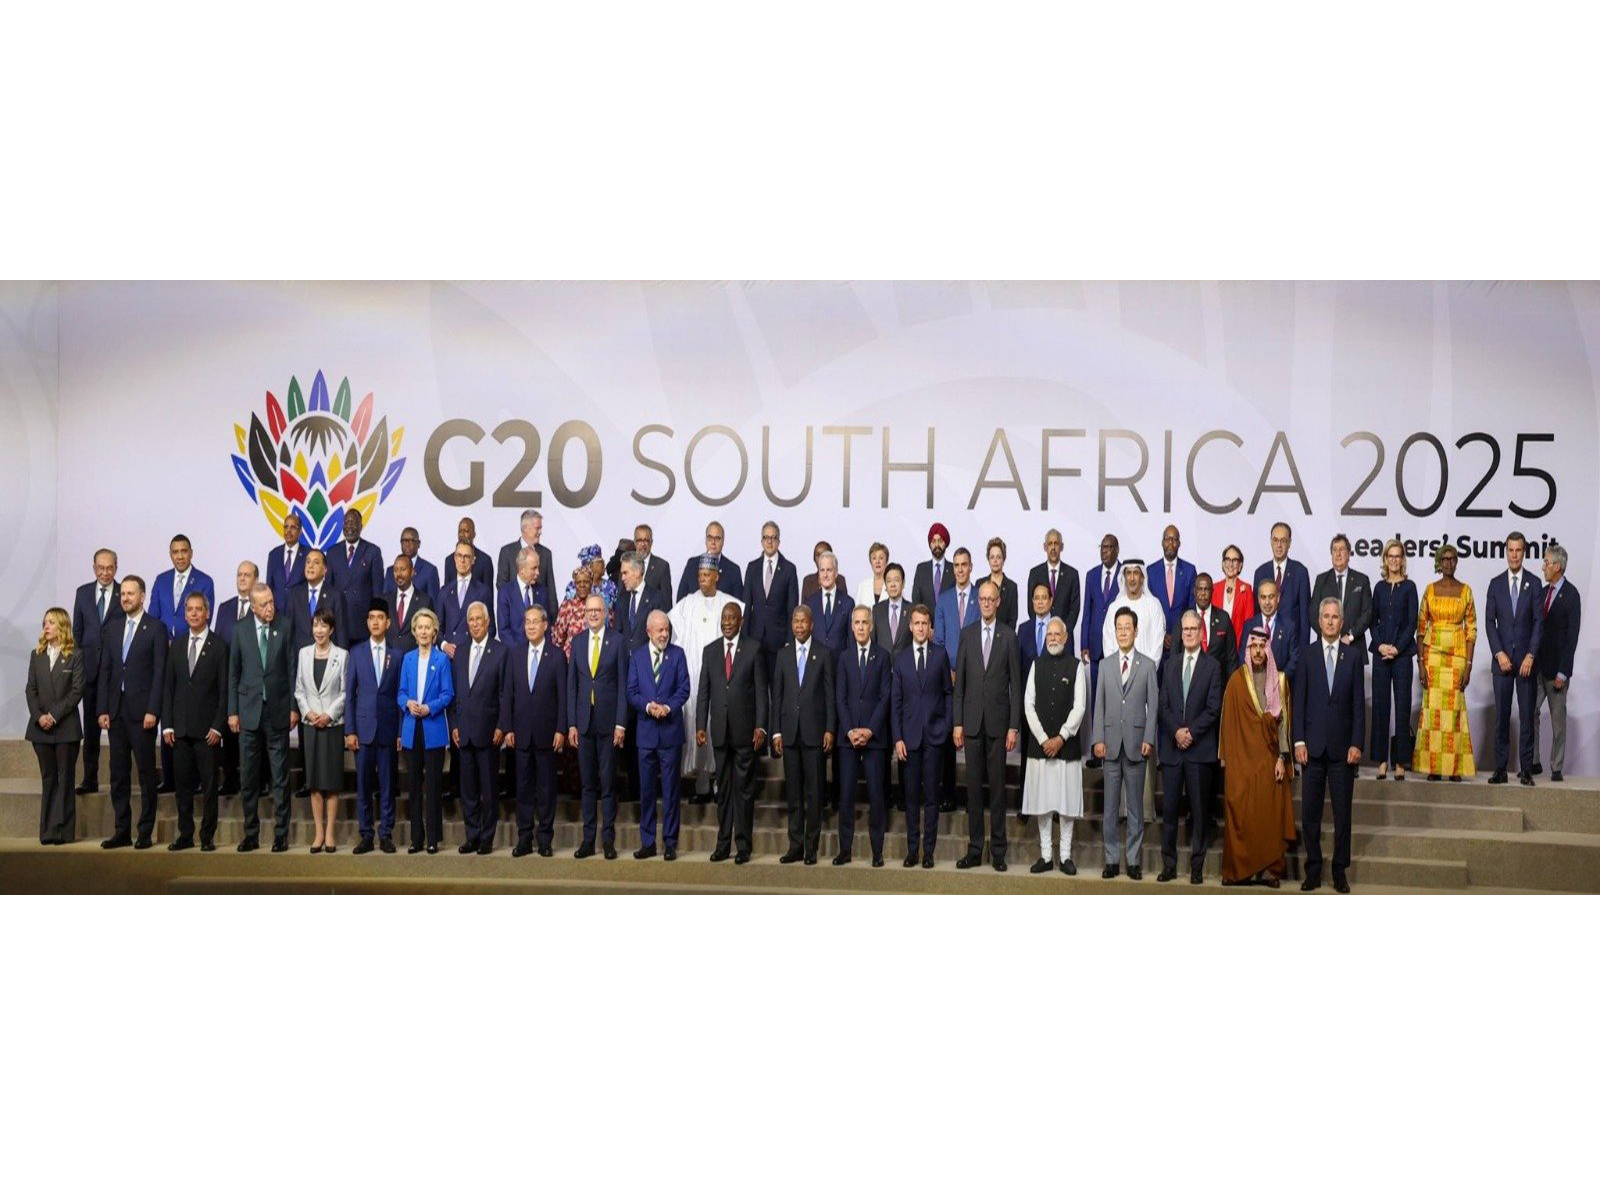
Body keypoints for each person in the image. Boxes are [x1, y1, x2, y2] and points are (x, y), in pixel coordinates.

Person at [1294, 598, 1366, 893]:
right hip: (1311, 749)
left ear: (1342, 621)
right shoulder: (1307, 655)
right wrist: (1298, 740)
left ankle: (1339, 871)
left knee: (1342, 815)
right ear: (1319, 621)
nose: (1330, 621)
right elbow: (1299, 702)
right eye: (1326, 616)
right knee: (1310, 814)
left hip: (1342, 751)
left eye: (1335, 617)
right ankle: (1312, 870)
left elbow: (1358, 705)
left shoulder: (1353, 657)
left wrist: (1357, 743)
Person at [1217, 627, 1297, 886]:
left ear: (1268, 649)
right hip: (1242, 762)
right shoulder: (1236, 681)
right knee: (1242, 813)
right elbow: (1228, 724)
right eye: (1254, 646)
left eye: (1263, 646)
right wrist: (1228, 761)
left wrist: (1282, 758)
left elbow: (1283, 724)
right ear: (1248, 649)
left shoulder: (1279, 681)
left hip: (1270, 761)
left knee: (1268, 816)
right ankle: (1242, 870)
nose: (1258, 652)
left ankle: (1270, 871)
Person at [953, 580, 1021, 872]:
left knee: (996, 791)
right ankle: (975, 849)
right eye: (982, 599)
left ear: (998, 602)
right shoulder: (967, 634)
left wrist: (1013, 726)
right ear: (977, 602)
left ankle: (998, 852)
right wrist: (957, 723)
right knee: (973, 792)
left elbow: (1015, 686)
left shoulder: (1008, 636)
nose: (986, 603)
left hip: (998, 726)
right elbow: (959, 685)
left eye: (991, 599)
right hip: (971, 725)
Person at [98, 575, 167, 849]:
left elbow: (159, 673)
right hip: (116, 712)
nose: (125, 598)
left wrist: (153, 710)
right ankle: (122, 831)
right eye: (123, 594)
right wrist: (102, 708)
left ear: (142, 596)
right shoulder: (112, 628)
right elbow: (105, 671)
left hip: (143, 715)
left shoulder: (156, 628)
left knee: (146, 774)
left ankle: (145, 832)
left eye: (130, 593)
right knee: (118, 775)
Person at [696, 602, 768, 864]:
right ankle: (723, 844)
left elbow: (761, 692)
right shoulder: (710, 651)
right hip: (719, 732)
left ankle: (744, 846)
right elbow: (703, 692)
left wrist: (761, 726)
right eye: (724, 618)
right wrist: (700, 726)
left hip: (745, 733)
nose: (727, 622)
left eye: (732, 618)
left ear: (741, 621)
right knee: (723, 791)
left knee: (744, 792)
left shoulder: (753, 649)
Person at [228, 582, 297, 853]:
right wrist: (233, 711)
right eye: (264, 604)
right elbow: (234, 674)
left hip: (277, 711)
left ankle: (281, 835)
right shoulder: (240, 629)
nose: (270, 607)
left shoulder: (285, 626)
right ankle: (251, 834)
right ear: (253, 607)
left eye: (271, 601)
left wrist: (293, 707)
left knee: (280, 777)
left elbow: (292, 669)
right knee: (248, 778)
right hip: (248, 713)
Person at [1091, 607, 1158, 880]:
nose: (1122, 632)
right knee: (1109, 809)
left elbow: (1153, 708)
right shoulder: (1105, 665)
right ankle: (1111, 860)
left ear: (1136, 631)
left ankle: (1133, 861)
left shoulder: (1148, 665)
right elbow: (1099, 705)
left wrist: (1149, 738)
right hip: (1110, 746)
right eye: (1119, 627)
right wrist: (1097, 738)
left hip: (1136, 746)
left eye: (1127, 627)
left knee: (1135, 810)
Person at [1157, 612, 1222, 884]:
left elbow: (1213, 708)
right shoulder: (1170, 664)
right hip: (1173, 751)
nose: (1189, 633)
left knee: (1199, 812)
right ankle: (1169, 865)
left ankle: (1197, 866)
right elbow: (1162, 705)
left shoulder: (1212, 666)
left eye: (1194, 629)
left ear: (1201, 632)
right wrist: (1176, 731)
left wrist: (1191, 733)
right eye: (1185, 629)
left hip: (1199, 751)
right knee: (1170, 812)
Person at [671, 557, 744, 798]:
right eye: (700, 575)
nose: (702, 579)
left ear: (716, 576)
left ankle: (720, 784)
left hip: (723, 674)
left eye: (707, 575)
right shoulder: (687, 604)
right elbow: (675, 638)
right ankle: (701, 785)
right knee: (697, 722)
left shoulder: (729, 604)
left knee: (720, 725)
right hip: (694, 676)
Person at [771, 605, 836, 864]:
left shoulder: (823, 653)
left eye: (803, 622)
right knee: (794, 795)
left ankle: (811, 848)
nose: (799, 626)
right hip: (789, 734)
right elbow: (777, 696)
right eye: (795, 621)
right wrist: (776, 732)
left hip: (815, 734)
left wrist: (830, 729)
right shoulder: (783, 654)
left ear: (812, 625)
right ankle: (795, 846)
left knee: (814, 794)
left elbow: (830, 696)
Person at [1021, 616, 1085, 875]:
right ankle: (1046, 856)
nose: (1053, 638)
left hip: (1066, 747)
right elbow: (1028, 704)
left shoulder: (1076, 666)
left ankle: (1065, 856)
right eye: (1049, 634)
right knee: (1043, 804)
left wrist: (1061, 737)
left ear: (1066, 638)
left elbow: (1080, 706)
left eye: (1058, 634)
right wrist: (1043, 739)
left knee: (1067, 805)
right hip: (1040, 747)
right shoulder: (1036, 665)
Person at [162, 593, 227, 851]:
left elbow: (224, 692)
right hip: (180, 730)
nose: (194, 613)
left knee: (209, 787)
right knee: (182, 787)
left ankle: (207, 836)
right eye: (189, 609)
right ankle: (185, 835)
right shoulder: (177, 645)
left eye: (199, 609)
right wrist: (167, 724)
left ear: (207, 613)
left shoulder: (219, 646)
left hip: (208, 732)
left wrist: (218, 726)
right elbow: (169, 688)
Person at [566, 592, 627, 859]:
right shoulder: (578, 641)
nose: (593, 614)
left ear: (605, 613)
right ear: (585, 613)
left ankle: (608, 840)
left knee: (608, 784)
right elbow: (572, 686)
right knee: (587, 784)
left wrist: (621, 724)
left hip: (608, 724)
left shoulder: (618, 641)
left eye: (597, 610)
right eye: (589, 610)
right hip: (584, 725)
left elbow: (623, 686)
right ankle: (588, 840)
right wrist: (571, 724)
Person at [150, 534, 213, 793]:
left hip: (191, 652)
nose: (179, 556)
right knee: (169, 709)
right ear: (170, 554)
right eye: (175, 551)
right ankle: (169, 777)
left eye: (183, 551)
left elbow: (204, 617)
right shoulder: (161, 580)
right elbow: (154, 617)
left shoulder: (205, 581)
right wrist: (163, 642)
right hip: (166, 654)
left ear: (191, 553)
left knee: (193, 712)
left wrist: (181, 642)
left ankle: (195, 777)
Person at [504, 605, 566, 857]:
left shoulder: (557, 655)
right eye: (527, 622)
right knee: (523, 788)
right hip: (520, 733)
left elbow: (563, 697)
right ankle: (524, 838)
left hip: (547, 734)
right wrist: (507, 727)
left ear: (545, 625)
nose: (530, 626)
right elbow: (508, 694)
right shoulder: (515, 654)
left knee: (546, 789)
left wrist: (561, 729)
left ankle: (545, 838)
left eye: (534, 622)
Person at [628, 611, 690, 860]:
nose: (664, 634)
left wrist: (667, 707)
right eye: (660, 630)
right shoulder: (637, 656)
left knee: (671, 791)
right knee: (646, 791)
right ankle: (648, 842)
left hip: (670, 734)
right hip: (646, 735)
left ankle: (670, 843)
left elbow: (684, 688)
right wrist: (647, 707)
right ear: (648, 632)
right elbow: (631, 691)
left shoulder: (678, 654)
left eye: (667, 629)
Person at [892, 605, 951, 868]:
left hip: (935, 738)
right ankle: (912, 850)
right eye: (916, 623)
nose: (920, 627)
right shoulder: (901, 658)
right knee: (911, 798)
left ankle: (929, 852)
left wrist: (946, 726)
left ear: (930, 628)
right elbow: (896, 702)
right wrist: (898, 738)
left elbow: (948, 694)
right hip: (909, 740)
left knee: (932, 798)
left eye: (924, 623)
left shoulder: (940, 655)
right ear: (910, 627)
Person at [1484, 531, 1544, 786]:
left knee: (1527, 717)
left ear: (1524, 552)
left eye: (1518, 550)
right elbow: (1490, 622)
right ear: (1506, 552)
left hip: (1526, 664)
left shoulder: (1534, 583)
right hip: (1502, 664)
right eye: (1511, 550)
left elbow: (1539, 622)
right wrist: (1499, 653)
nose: (1514, 555)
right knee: (1502, 718)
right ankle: (1500, 769)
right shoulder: (1495, 584)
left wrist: (1530, 655)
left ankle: (1526, 770)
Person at [450, 600, 510, 854]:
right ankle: (472, 835)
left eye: (479, 619)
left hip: (489, 732)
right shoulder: (460, 651)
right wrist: (454, 724)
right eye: (471, 620)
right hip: (463, 732)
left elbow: (505, 694)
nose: (475, 624)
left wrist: (502, 726)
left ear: (487, 622)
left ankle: (487, 837)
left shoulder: (500, 651)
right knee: (468, 791)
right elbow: (455, 693)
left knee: (488, 790)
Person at [1413, 544, 1477, 782]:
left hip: (1457, 657)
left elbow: (1471, 631)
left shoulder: (1466, 591)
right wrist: (1421, 663)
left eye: (1453, 559)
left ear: (1457, 562)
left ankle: (1454, 768)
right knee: (1433, 712)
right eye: (1445, 559)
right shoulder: (1430, 590)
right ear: (1439, 562)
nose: (1449, 563)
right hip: (1433, 657)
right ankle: (1434, 766)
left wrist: (1468, 665)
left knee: (1454, 712)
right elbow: (1421, 629)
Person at [835, 605, 891, 866]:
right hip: (848, 740)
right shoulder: (844, 657)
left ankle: (877, 852)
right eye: (856, 622)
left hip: (874, 739)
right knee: (846, 796)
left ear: (871, 626)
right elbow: (840, 698)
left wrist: (869, 730)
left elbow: (885, 698)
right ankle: (844, 850)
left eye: (864, 622)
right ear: (852, 626)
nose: (860, 627)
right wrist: (850, 730)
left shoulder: (883, 657)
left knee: (876, 797)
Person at [345, 599, 401, 854]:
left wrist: (400, 731)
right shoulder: (356, 653)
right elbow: (350, 695)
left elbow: (400, 695)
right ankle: (366, 834)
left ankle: (386, 833)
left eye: (380, 617)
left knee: (388, 786)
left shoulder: (397, 655)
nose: (375, 622)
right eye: (371, 618)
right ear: (367, 622)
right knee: (364, 786)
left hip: (388, 729)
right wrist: (350, 730)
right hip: (363, 730)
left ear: (388, 622)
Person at [25, 606, 85, 845]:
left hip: (66, 728)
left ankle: (63, 832)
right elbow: (31, 690)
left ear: (62, 626)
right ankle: (47, 831)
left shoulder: (75, 655)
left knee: (65, 779)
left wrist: (54, 715)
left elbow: (77, 690)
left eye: (51, 622)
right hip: (40, 729)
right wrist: (39, 716)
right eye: (45, 623)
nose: (46, 627)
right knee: (48, 778)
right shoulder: (37, 654)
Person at [398, 608, 454, 853]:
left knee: (432, 786)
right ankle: (416, 839)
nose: (423, 631)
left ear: (434, 632)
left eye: (427, 627)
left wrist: (429, 708)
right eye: (419, 627)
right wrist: (407, 703)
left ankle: (432, 838)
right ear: (414, 631)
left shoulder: (442, 660)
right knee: (413, 785)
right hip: (411, 728)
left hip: (433, 728)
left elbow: (448, 694)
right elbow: (400, 693)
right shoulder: (407, 659)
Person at [294, 610, 348, 853]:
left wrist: (329, 714)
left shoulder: (342, 656)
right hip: (311, 725)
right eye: (315, 625)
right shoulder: (303, 653)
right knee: (315, 782)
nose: (319, 630)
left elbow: (345, 692)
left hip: (332, 725)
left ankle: (330, 833)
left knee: (332, 782)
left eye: (323, 625)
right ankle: (318, 833)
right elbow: (299, 690)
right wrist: (308, 713)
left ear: (331, 629)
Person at [932, 546, 978, 811]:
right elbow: (938, 639)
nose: (960, 569)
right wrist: (949, 670)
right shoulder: (944, 599)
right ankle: (948, 795)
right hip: (948, 680)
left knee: (973, 739)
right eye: (957, 565)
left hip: (974, 679)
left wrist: (967, 671)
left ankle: (973, 798)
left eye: (964, 565)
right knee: (949, 739)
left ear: (971, 567)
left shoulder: (980, 597)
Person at [1369, 539, 1418, 780]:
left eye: (1398, 556)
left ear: (1403, 559)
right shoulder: (1379, 588)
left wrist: (1397, 648)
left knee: (1402, 707)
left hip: (1402, 655)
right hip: (1381, 654)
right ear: (1385, 559)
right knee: (1380, 707)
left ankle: (1400, 761)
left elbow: (1412, 622)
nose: (1394, 560)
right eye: (1391, 556)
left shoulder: (1409, 587)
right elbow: (1372, 620)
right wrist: (1380, 645)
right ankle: (1381, 760)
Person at [72, 548, 119, 796]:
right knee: (91, 731)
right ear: (94, 568)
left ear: (116, 568)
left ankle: (117, 781)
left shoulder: (124, 593)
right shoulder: (82, 593)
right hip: (90, 673)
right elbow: (77, 633)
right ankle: (90, 779)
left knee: (117, 732)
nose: (105, 572)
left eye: (109, 568)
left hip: (115, 674)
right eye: (101, 568)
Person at [1532, 544, 1580, 782]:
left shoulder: (1571, 595)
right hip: (1537, 667)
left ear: (1557, 566)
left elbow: (1572, 637)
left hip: (1557, 671)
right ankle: (1534, 762)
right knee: (1530, 713)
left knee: (1557, 720)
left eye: (1546, 562)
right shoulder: (1542, 593)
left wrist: (1564, 671)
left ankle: (1556, 766)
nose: (1543, 567)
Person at [743, 521, 800, 714]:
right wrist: (745, 639)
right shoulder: (751, 567)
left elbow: (792, 609)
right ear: (761, 541)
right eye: (766, 538)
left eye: (773, 538)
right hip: (755, 641)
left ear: (779, 541)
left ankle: (777, 731)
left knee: (778, 695)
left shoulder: (789, 569)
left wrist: (789, 641)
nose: (770, 541)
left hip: (779, 643)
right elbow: (746, 606)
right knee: (755, 693)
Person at [213, 560, 260, 795]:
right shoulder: (225, 607)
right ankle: (230, 779)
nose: (242, 578)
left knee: (255, 732)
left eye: (247, 575)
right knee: (230, 730)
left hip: (253, 680)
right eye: (239, 574)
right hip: (229, 679)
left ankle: (258, 781)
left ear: (256, 579)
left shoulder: (262, 607)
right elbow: (219, 641)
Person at [1079, 533, 1121, 766]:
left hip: (1116, 647)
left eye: (1108, 547)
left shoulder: (1125, 573)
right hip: (1095, 648)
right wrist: (1084, 643)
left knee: (1115, 701)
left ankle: (1114, 749)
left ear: (1117, 550)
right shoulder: (1092, 575)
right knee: (1097, 701)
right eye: (1102, 547)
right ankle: (1096, 751)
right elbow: (1087, 610)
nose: (1104, 551)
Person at [1312, 534, 1372, 664]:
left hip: (1354, 646)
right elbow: (1313, 613)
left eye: (1342, 549)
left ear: (1349, 553)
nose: (1338, 554)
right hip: (1325, 648)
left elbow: (1367, 614)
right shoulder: (1321, 580)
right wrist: (1329, 636)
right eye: (1335, 550)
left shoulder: (1362, 580)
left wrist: (1350, 636)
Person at [328, 509, 384, 643]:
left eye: (354, 522)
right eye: (347, 522)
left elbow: (378, 592)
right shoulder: (332, 552)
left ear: (361, 526)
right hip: (338, 622)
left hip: (362, 624)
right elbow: (328, 589)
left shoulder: (373, 551)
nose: (350, 526)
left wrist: (375, 622)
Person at [1252, 523, 1310, 651]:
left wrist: (1304, 653)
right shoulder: (1260, 572)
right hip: (1264, 647)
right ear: (1270, 542)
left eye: (1283, 540)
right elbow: (1256, 613)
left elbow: (1305, 618)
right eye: (1275, 540)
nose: (1279, 545)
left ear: (1289, 543)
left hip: (1292, 647)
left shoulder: (1300, 572)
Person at [1101, 560, 1165, 664]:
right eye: (1128, 573)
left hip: (1146, 671)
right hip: (1118, 671)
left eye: (1136, 573)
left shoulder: (1154, 605)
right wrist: (1116, 670)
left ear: (1142, 578)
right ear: (1124, 577)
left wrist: (1146, 670)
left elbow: (1157, 644)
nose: (1132, 578)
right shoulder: (1114, 607)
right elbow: (1108, 643)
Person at [440, 540, 496, 658]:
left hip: (474, 656)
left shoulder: (483, 591)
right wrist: (444, 645)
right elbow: (437, 627)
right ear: (454, 558)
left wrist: (478, 647)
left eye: (466, 556)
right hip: (450, 657)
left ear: (473, 560)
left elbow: (491, 628)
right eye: (459, 555)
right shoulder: (444, 591)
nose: (462, 560)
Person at [1025, 528, 1082, 643]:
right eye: (1050, 544)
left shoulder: (1072, 574)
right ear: (1045, 547)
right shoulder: (1035, 573)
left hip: (1064, 639)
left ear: (1062, 547)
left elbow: (1074, 608)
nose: (1053, 548)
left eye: (1056, 543)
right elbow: (1031, 606)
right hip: (1041, 638)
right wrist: (1042, 631)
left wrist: (1063, 632)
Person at [1240, 578, 1301, 686]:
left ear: (1278, 598)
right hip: (1253, 687)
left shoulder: (1289, 626)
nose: (1267, 602)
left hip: (1280, 687)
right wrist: (1253, 681)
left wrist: (1279, 681)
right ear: (1258, 599)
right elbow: (1242, 656)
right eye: (1263, 597)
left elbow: (1294, 659)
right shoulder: (1249, 625)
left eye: (1271, 597)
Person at [1147, 525, 1195, 654]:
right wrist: (1162, 634)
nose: (1170, 542)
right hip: (1156, 643)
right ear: (1162, 542)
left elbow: (1191, 607)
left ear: (1179, 544)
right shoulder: (1150, 571)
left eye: (1174, 539)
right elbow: (1148, 608)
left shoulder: (1189, 571)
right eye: (1167, 539)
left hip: (1181, 643)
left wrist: (1178, 634)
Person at [289, 548, 344, 652]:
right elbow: (289, 634)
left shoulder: (335, 595)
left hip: (328, 656)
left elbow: (341, 635)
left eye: (316, 562)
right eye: (308, 562)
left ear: (324, 570)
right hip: (300, 657)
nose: (310, 566)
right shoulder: (294, 594)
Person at [497, 547, 552, 648]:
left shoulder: (543, 592)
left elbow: (546, 628)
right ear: (522, 569)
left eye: (538, 567)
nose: (538, 572)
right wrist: (521, 652)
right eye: (534, 568)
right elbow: (503, 630)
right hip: (514, 653)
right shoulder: (505, 592)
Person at [676, 520, 744, 602]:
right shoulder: (692, 564)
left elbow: (738, 606)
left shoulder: (733, 570)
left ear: (723, 541)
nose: (713, 542)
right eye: (710, 538)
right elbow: (680, 600)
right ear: (705, 540)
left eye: (717, 538)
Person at [1189, 573, 1238, 681]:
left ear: (1212, 591)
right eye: (1200, 589)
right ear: (1194, 591)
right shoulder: (1185, 618)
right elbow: (1176, 655)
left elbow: (1232, 657)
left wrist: (1230, 686)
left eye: (1206, 589)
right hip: (1191, 682)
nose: (1203, 593)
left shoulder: (1223, 618)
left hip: (1218, 683)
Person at [496, 508, 555, 594]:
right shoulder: (507, 552)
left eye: (540, 528)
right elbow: (501, 585)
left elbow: (551, 590)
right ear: (525, 528)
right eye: (537, 528)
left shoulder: (546, 554)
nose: (540, 532)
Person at [383, 526, 441, 601]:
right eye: (404, 540)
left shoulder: (429, 571)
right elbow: (384, 601)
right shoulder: (390, 571)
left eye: (412, 540)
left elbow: (434, 603)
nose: (407, 544)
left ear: (418, 544)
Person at [382, 553, 425, 656]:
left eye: (403, 569)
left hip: (414, 658)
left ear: (412, 572)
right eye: (395, 570)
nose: (398, 574)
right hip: (389, 659)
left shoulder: (424, 601)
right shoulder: (385, 600)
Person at [265, 514, 309, 610]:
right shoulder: (274, 555)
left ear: (300, 531)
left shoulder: (308, 554)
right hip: (277, 613)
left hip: (299, 611)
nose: (288, 531)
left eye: (293, 527)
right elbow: (269, 586)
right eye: (286, 527)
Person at [1216, 544, 1256, 647]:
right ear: (1223, 564)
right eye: (1227, 560)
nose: (1231, 564)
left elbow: (1249, 624)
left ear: (1240, 565)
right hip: (1216, 649)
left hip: (1238, 647)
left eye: (1234, 560)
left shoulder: (1247, 590)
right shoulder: (1214, 588)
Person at [551, 563, 595, 652]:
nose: (582, 585)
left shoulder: (597, 605)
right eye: (578, 582)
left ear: (591, 583)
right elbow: (558, 639)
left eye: (586, 582)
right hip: (570, 656)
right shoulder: (567, 606)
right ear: (575, 584)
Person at [911, 522, 953, 610]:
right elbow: (916, 601)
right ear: (930, 545)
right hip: (925, 619)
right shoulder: (921, 569)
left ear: (945, 543)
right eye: (933, 541)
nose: (937, 545)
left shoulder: (954, 569)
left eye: (940, 541)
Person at [874, 563, 913, 655]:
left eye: (896, 580)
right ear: (885, 585)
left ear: (903, 583)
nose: (892, 585)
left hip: (905, 663)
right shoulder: (877, 610)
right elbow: (873, 641)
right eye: (889, 581)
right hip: (882, 663)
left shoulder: (912, 609)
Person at [630, 523, 673, 598]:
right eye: (639, 540)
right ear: (634, 542)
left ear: (651, 542)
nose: (643, 544)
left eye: (646, 540)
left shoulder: (662, 567)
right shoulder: (627, 564)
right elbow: (622, 598)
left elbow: (666, 601)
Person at [456, 516, 495, 588]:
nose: (462, 534)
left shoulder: (485, 561)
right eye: (460, 531)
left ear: (474, 534)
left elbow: (488, 592)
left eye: (466, 531)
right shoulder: (449, 561)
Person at [855, 542, 892, 608]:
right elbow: (857, 611)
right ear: (870, 562)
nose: (877, 561)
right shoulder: (863, 586)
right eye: (874, 558)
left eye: (881, 558)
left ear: (886, 561)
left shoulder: (894, 585)